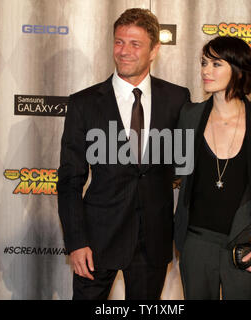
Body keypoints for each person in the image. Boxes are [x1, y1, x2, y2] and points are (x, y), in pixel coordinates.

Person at [57, 8, 190, 300]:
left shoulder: (178, 99)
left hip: (153, 240)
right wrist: (76, 241)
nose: (124, 51)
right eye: (119, 42)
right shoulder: (84, 104)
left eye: (135, 44)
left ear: (154, 49)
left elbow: (187, 165)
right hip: (96, 240)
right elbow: (69, 179)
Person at [174, 36, 251, 300]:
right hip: (196, 243)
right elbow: (173, 169)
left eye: (215, 64)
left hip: (244, 246)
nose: (205, 71)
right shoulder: (189, 115)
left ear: (238, 69)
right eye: (203, 63)